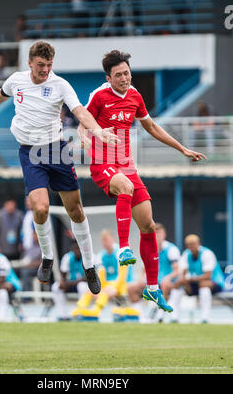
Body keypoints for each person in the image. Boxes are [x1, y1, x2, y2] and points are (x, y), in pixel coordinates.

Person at [0, 40, 119, 296]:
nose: (45, 70)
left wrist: (97, 131)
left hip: (57, 149)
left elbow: (80, 112)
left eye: (49, 65)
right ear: (30, 62)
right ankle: (47, 257)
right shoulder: (16, 80)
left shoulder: (60, 85)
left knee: (75, 210)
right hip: (30, 152)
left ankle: (89, 265)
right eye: (41, 65)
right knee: (39, 208)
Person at [78, 49, 206, 312]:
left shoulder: (135, 95)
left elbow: (151, 126)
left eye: (127, 73)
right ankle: (124, 248)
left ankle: (152, 288)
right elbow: (82, 123)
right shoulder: (99, 96)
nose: (124, 78)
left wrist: (181, 149)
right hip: (103, 164)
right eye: (119, 75)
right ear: (108, 77)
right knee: (124, 186)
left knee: (148, 225)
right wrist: (88, 140)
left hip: (127, 166)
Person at [71, 228, 135, 320]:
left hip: (123, 284)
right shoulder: (101, 255)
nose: (105, 242)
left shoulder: (120, 253)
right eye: (103, 240)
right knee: (90, 291)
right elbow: (101, 275)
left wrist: (112, 287)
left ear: (112, 239)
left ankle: (96, 310)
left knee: (105, 292)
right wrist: (98, 289)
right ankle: (79, 308)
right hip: (109, 284)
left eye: (107, 240)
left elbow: (122, 276)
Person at [172, 234, 225, 323]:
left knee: (203, 284)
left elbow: (207, 276)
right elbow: (184, 273)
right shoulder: (186, 254)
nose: (191, 247)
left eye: (193, 244)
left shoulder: (207, 254)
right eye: (188, 245)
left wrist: (189, 280)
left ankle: (205, 318)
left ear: (198, 244)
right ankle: (174, 317)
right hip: (196, 284)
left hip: (214, 283)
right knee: (177, 284)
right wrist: (183, 281)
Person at [52, 240, 89, 321]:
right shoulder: (67, 257)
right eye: (75, 249)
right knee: (55, 287)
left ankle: (81, 313)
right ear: (72, 249)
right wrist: (62, 283)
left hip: (84, 285)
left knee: (82, 286)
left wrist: (70, 283)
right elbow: (63, 275)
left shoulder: (88, 257)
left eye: (78, 249)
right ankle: (63, 315)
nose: (77, 251)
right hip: (71, 284)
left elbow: (88, 278)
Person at [19, 197, 42, 294]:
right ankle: (20, 294)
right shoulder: (26, 215)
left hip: (35, 256)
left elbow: (41, 261)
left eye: (29, 202)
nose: (27, 204)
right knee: (19, 268)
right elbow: (23, 232)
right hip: (27, 250)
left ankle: (27, 297)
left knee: (25, 271)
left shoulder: (37, 214)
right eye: (26, 202)